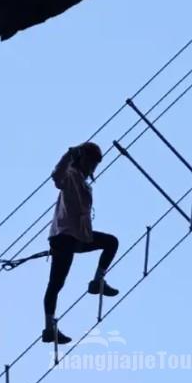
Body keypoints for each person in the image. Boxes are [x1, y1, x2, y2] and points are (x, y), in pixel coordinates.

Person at [42, 142, 119, 344]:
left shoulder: (83, 182)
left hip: (79, 236)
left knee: (111, 242)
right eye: (91, 163)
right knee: (56, 283)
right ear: (82, 159)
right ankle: (49, 328)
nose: (92, 168)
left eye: (95, 165)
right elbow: (56, 176)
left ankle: (97, 282)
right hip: (65, 237)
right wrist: (69, 154)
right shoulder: (70, 175)